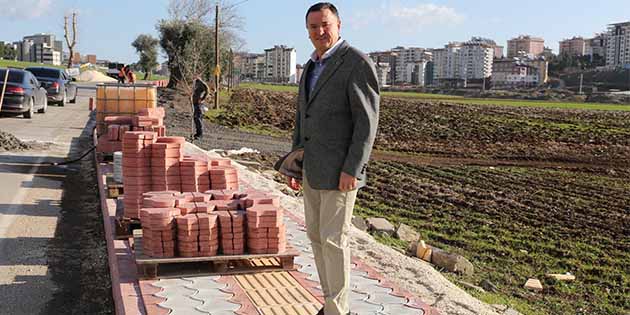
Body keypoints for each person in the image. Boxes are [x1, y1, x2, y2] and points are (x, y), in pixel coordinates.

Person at [288, 3, 379, 315]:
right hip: (312, 169)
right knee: (315, 237)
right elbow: (303, 118)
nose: (319, 32)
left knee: (335, 241)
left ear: (339, 24)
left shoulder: (356, 63)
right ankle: (330, 305)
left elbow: (367, 123)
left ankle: (339, 311)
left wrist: (353, 168)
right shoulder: (311, 67)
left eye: (325, 25)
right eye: (313, 27)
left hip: (341, 172)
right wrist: (295, 161)